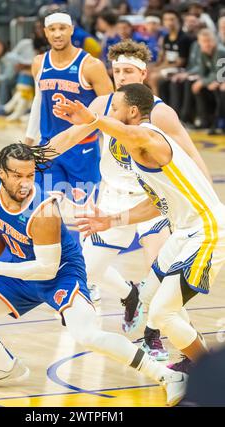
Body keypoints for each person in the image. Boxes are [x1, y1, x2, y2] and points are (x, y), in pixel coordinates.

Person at [0, 143, 186, 406]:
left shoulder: (43, 211)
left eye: (30, 175)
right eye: (17, 176)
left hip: (60, 273)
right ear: (1, 174)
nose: (25, 183)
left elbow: (46, 268)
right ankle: (5, 367)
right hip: (19, 269)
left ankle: (167, 377)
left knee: (86, 335)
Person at [49, 39, 211, 363]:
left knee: (161, 277)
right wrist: (34, 157)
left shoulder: (160, 112)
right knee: (83, 273)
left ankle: (162, 339)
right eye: (117, 70)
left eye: (129, 70)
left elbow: (192, 155)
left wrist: (210, 201)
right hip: (110, 201)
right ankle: (129, 294)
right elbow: (69, 137)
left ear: (144, 73)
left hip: (150, 203)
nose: (121, 76)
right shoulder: (99, 105)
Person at [24, 12, 113, 204]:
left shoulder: (91, 65)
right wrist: (28, 142)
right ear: (45, 33)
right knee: (44, 210)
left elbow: (111, 110)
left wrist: (112, 152)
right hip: (48, 148)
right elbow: (38, 102)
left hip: (82, 149)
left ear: (71, 30)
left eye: (62, 28)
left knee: (86, 214)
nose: (58, 34)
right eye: (53, 29)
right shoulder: (39, 63)